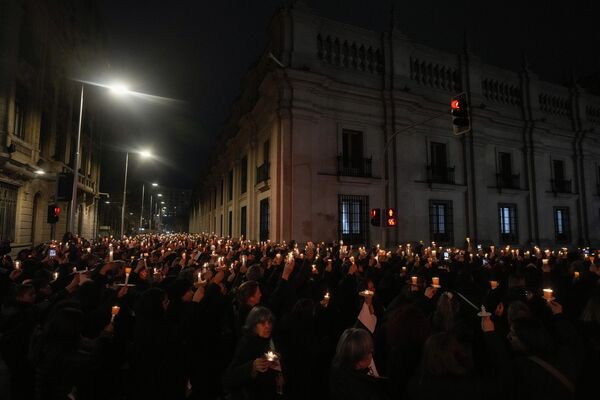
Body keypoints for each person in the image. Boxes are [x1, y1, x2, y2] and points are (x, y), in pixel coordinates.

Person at [222, 306, 283, 400]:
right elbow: (229, 377)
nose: (268, 326)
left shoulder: (269, 340)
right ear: (254, 325)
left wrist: (277, 371)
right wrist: (252, 366)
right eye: (262, 323)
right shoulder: (246, 343)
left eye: (269, 322)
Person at [329, 327, 390, 400]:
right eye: (370, 351)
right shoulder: (363, 391)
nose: (372, 352)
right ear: (360, 363)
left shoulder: (338, 364)